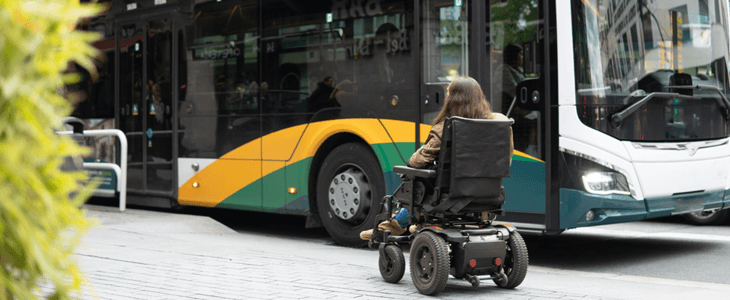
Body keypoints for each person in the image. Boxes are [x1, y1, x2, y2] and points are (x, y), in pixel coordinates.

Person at [360, 77, 514, 241]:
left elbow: (415, 162)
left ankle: (395, 223)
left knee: (416, 179)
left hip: (453, 196)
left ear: (452, 100)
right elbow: (506, 160)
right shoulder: (500, 125)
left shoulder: (446, 127)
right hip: (490, 192)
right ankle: (404, 223)